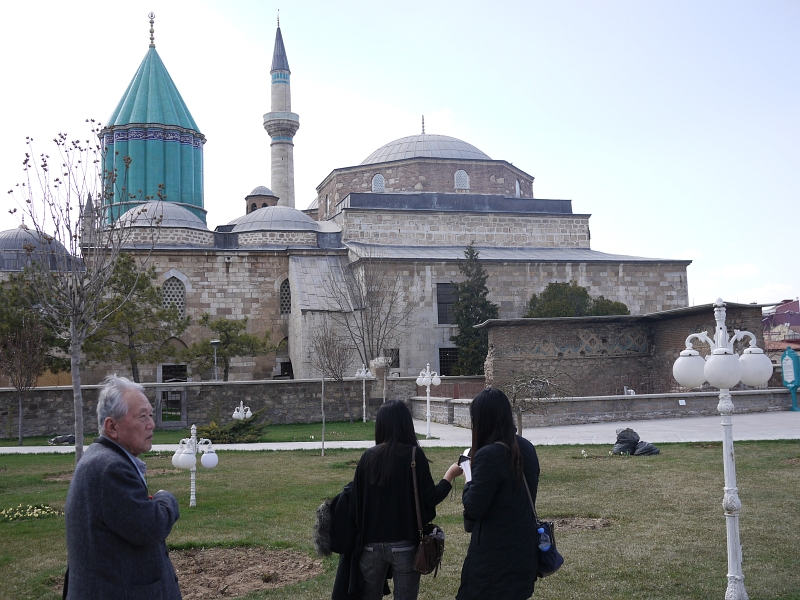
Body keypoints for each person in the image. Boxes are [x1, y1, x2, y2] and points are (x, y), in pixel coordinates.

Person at [64, 374, 182, 600]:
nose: (151, 424)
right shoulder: (110, 468)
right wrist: (166, 498)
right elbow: (150, 527)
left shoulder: (105, 459)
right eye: (142, 416)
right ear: (112, 427)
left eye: (150, 414)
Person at [349, 400, 461, 600]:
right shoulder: (414, 454)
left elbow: (355, 504)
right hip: (405, 545)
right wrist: (449, 477)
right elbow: (430, 498)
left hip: (370, 545)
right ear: (406, 424)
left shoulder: (368, 457)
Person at [456, 387, 541, 600]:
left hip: (494, 557)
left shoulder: (488, 455)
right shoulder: (527, 448)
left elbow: (474, 506)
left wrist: (469, 480)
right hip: (524, 547)